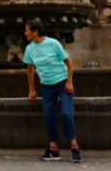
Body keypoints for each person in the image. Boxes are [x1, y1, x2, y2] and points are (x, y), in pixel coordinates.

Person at [24, 18, 82, 163]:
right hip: (46, 86)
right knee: (49, 116)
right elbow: (30, 70)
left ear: (35, 32)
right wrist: (31, 89)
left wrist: (69, 82)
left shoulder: (53, 43)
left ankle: (74, 146)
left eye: (27, 31)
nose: (25, 33)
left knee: (67, 114)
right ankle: (54, 149)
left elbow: (69, 62)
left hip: (62, 83)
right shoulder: (29, 49)